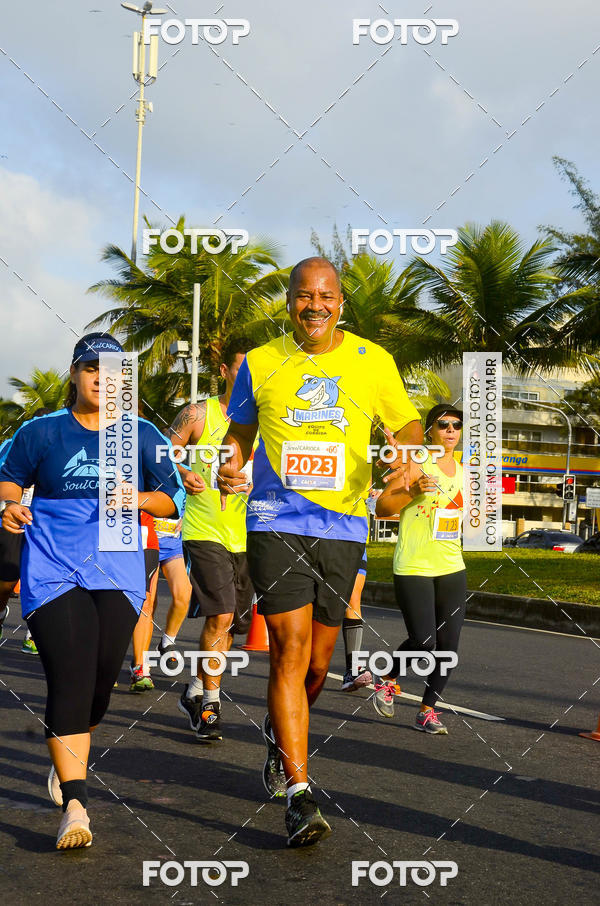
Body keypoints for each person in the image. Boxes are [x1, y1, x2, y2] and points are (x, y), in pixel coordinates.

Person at [218, 257, 422, 847]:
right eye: (304, 295)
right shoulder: (260, 363)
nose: (315, 305)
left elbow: (406, 422)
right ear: (289, 301)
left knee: (315, 665)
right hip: (274, 520)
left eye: (325, 295)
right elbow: (239, 435)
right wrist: (232, 465)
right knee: (288, 650)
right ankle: (299, 793)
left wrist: (406, 453)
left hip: (344, 526)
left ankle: (283, 734)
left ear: (340, 303)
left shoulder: (372, 360)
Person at [0, 333, 184, 850]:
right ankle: (76, 805)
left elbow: (172, 499)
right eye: (91, 368)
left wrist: (141, 497)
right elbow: (8, 478)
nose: (103, 378)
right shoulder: (42, 432)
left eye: (115, 371)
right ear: (75, 375)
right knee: (72, 673)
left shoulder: (142, 435)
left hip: (120, 569)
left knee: (101, 681)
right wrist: (8, 506)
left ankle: (69, 750)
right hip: (54, 569)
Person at [166, 337, 255, 743]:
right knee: (220, 615)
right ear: (224, 372)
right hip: (204, 530)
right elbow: (164, 450)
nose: (249, 378)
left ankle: (195, 689)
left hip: (249, 536)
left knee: (233, 623)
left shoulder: (266, 420)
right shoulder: (199, 414)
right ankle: (210, 706)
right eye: (241, 370)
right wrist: (184, 473)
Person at [373, 404, 466, 734]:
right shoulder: (414, 464)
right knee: (424, 641)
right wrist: (411, 490)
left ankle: (428, 710)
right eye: (443, 425)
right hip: (413, 564)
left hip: (451, 565)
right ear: (430, 430)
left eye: (456, 425)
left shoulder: (467, 472)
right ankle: (387, 678)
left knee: (448, 648)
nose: (450, 430)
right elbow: (383, 508)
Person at [0, 407, 51, 654]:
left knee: (41, 579)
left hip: (43, 522)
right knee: (7, 580)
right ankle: (1, 611)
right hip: (12, 522)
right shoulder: (15, 443)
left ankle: (34, 633)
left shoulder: (59, 443)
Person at [153, 514, 192, 671]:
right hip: (147, 542)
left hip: (172, 543)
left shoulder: (182, 487)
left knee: (184, 594)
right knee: (148, 600)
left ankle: (167, 642)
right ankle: (139, 660)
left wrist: (186, 517)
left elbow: (191, 500)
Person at [129, 510, 160, 692]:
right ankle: (102, 663)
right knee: (110, 601)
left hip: (146, 537)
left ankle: (139, 667)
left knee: (146, 602)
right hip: (109, 535)